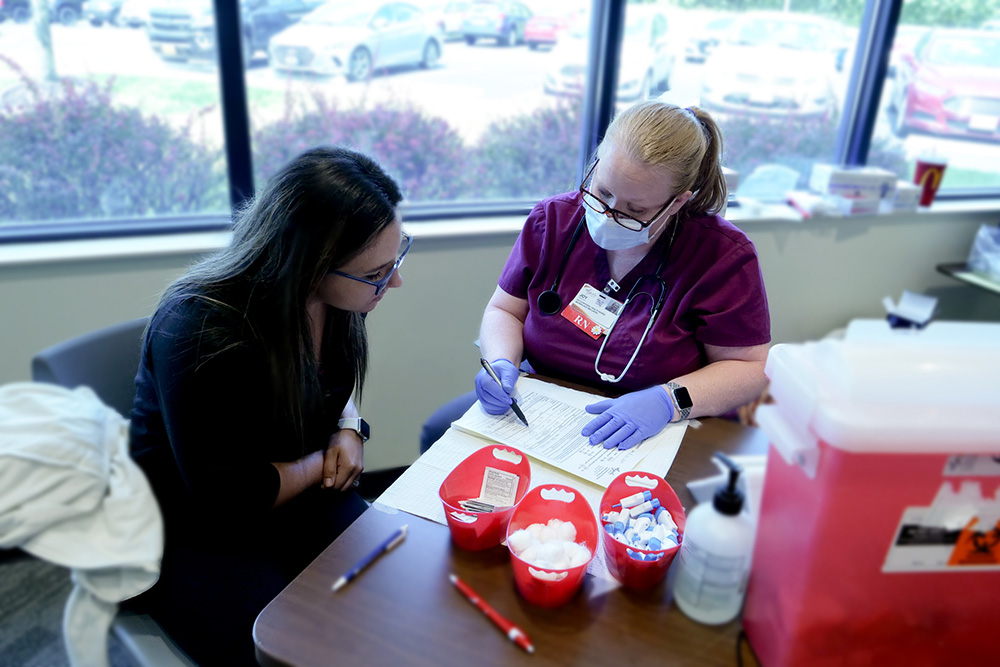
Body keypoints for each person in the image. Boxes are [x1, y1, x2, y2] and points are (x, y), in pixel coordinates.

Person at [128, 146, 409, 665]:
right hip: (199, 525)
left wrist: (349, 427)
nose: (393, 282)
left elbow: (330, 378)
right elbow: (229, 498)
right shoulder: (201, 330)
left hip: (294, 490)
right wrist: (318, 464)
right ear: (311, 264)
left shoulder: (338, 298)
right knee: (286, 649)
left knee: (397, 594)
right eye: (376, 272)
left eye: (397, 258)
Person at [421, 101, 770, 453]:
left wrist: (668, 401)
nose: (608, 214)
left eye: (636, 210)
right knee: (439, 434)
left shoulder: (721, 256)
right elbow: (505, 310)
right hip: (544, 404)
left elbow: (748, 368)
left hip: (656, 429)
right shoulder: (553, 221)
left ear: (677, 202)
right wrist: (500, 363)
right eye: (602, 192)